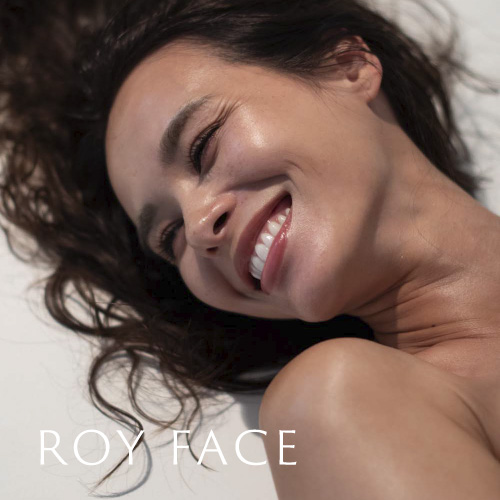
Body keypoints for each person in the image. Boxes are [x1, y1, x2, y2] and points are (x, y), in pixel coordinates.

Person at [1, 0, 500, 497]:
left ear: (347, 66)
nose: (199, 226)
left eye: (203, 147)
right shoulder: (340, 399)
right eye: (170, 236)